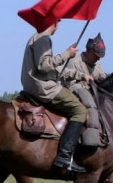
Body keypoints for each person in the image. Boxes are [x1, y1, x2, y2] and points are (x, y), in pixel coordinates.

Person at [20, 21, 88, 172]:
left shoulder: (36, 38)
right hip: (45, 88)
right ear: (55, 22)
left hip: (35, 86)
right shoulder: (43, 39)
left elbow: (53, 70)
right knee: (80, 111)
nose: (59, 25)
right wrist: (66, 54)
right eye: (59, 21)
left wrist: (81, 75)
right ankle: (64, 156)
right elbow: (44, 66)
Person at [59, 33, 108, 147]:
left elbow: (104, 79)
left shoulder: (97, 66)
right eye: (96, 55)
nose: (98, 58)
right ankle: (89, 139)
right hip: (76, 99)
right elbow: (69, 86)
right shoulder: (73, 62)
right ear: (89, 51)